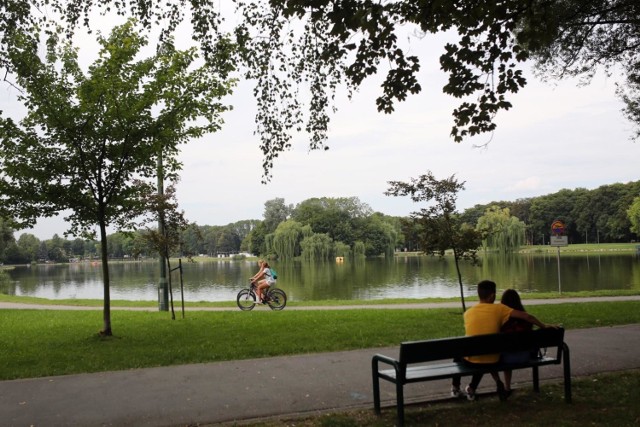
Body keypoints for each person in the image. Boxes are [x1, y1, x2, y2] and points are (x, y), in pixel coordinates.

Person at [451, 280, 553, 401]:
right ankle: (472, 388)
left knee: (461, 355)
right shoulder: (500, 309)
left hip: (473, 361)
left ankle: (455, 388)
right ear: (492, 295)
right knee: (485, 356)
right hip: (493, 360)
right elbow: (527, 316)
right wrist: (543, 326)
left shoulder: (468, 313)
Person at [500, 288, 535, 395]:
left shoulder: (502, 321)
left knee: (506, 350)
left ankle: (507, 387)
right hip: (526, 356)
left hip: (507, 359)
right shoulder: (526, 319)